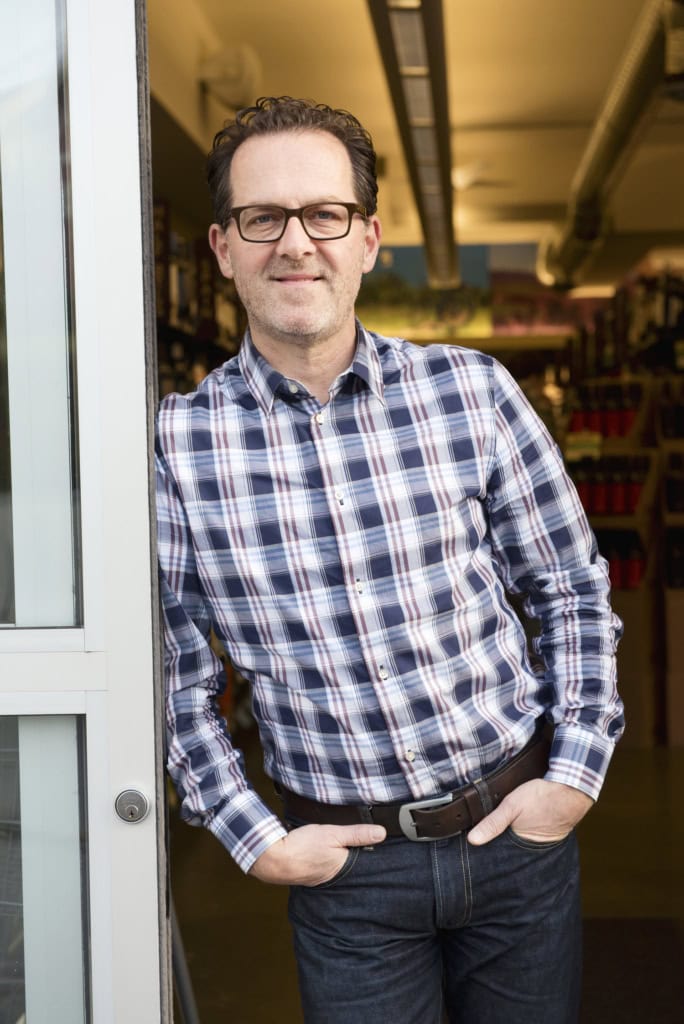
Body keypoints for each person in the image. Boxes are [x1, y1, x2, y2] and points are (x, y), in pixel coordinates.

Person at [155, 96, 624, 1024]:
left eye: (325, 214)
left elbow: (570, 587)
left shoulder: (471, 391)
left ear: (367, 239)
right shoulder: (175, 444)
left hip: (516, 840)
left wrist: (573, 775)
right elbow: (171, 676)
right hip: (347, 878)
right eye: (263, 219)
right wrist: (253, 838)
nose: (296, 243)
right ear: (222, 248)